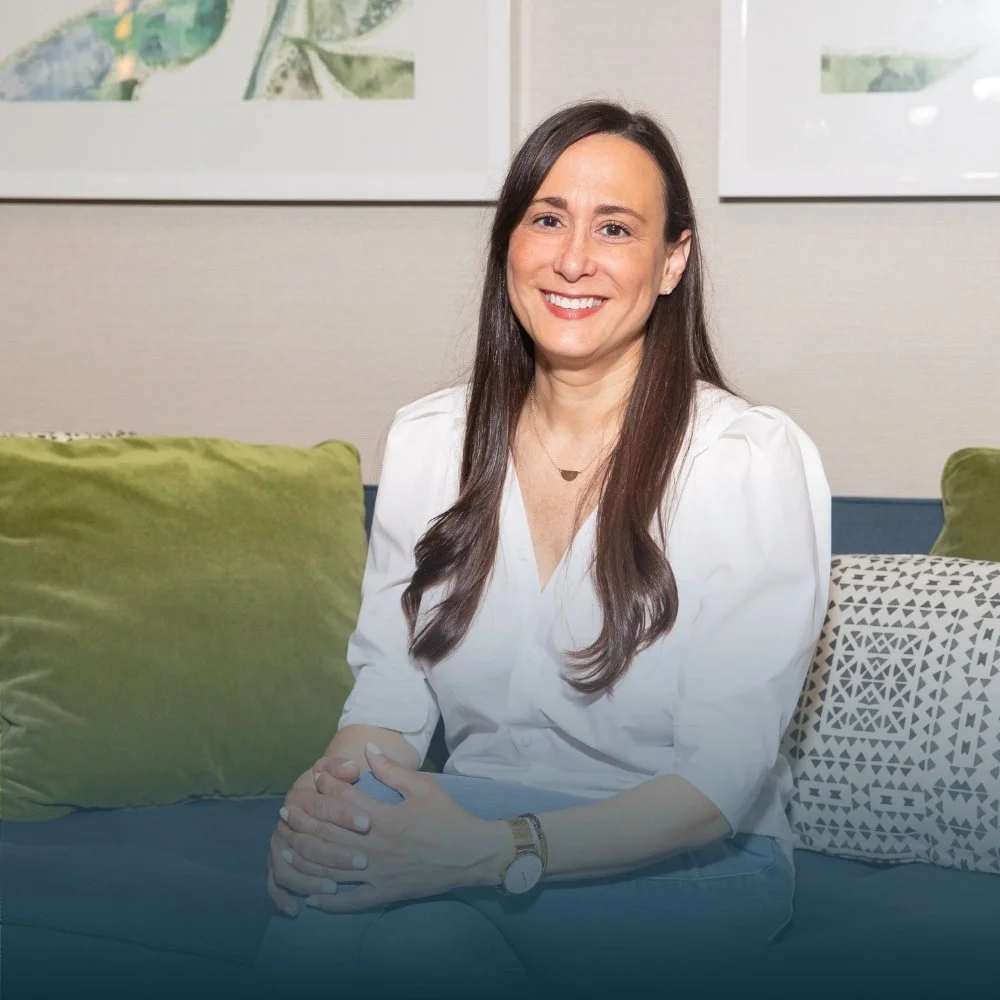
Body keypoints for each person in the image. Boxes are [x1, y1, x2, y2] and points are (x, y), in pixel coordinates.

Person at [254, 100, 831, 999]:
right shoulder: (430, 442)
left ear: (672, 260)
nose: (574, 259)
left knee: (373, 926)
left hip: (694, 861)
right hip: (470, 821)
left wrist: (491, 849)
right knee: (377, 923)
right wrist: (331, 806)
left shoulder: (748, 461)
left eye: (616, 228)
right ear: (509, 244)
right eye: (549, 219)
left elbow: (719, 783)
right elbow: (389, 701)